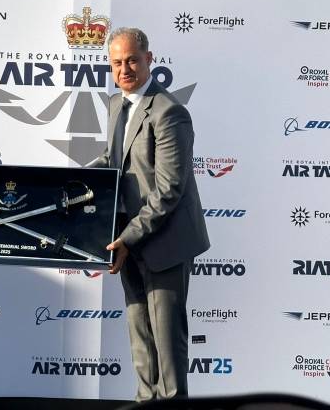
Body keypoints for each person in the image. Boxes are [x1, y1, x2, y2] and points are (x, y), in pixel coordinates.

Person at [95, 27, 210, 401]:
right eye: (116, 63)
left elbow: (169, 190)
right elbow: (113, 162)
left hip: (165, 243)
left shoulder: (170, 112)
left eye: (131, 60)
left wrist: (128, 239)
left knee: (166, 346)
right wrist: (74, 181)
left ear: (149, 59)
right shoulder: (117, 104)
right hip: (128, 241)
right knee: (141, 341)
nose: (124, 69)